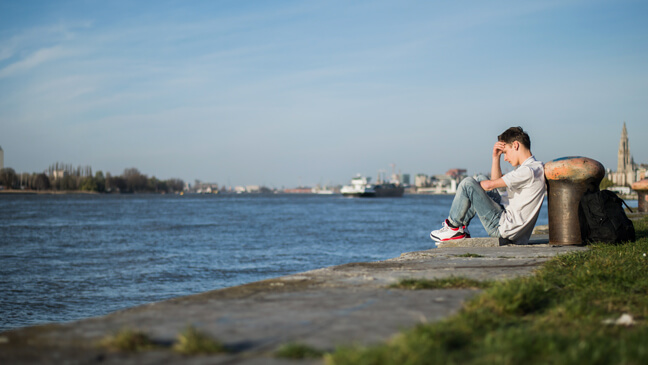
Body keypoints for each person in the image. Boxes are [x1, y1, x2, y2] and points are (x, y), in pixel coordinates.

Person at [430, 126, 546, 245]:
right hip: (509, 225)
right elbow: (496, 185)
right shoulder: (534, 168)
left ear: (515, 145)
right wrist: (496, 157)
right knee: (481, 179)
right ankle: (460, 229)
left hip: (504, 229)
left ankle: (453, 226)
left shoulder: (528, 171)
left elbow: (490, 185)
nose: (505, 158)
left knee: (467, 183)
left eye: (505, 152)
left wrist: (472, 188)